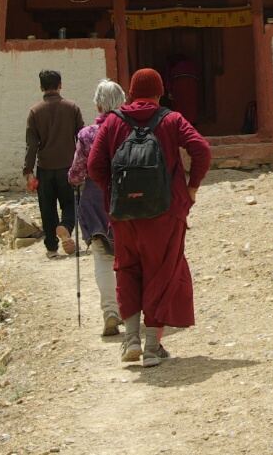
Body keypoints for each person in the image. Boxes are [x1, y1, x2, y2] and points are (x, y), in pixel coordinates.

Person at [88, 68, 210, 367]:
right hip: (165, 212)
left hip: (124, 214)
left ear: (130, 93)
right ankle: (153, 347)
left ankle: (131, 339)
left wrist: (113, 192)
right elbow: (201, 150)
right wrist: (191, 188)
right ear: (159, 93)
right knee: (161, 272)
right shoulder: (171, 119)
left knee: (126, 268)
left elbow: (94, 165)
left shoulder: (114, 121)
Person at [69, 79, 126, 337]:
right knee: (131, 256)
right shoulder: (131, 130)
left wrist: (73, 179)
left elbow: (77, 173)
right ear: (122, 101)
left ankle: (110, 311)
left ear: (99, 104)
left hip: (95, 198)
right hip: (129, 198)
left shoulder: (87, 134)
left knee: (103, 257)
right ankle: (133, 309)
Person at [23, 70, 83, 259]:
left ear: (41, 87)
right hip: (68, 166)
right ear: (60, 85)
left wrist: (28, 170)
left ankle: (51, 247)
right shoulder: (71, 107)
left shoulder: (35, 111)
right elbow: (81, 137)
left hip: (45, 167)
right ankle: (65, 226)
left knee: (47, 208)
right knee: (72, 203)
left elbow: (31, 144)